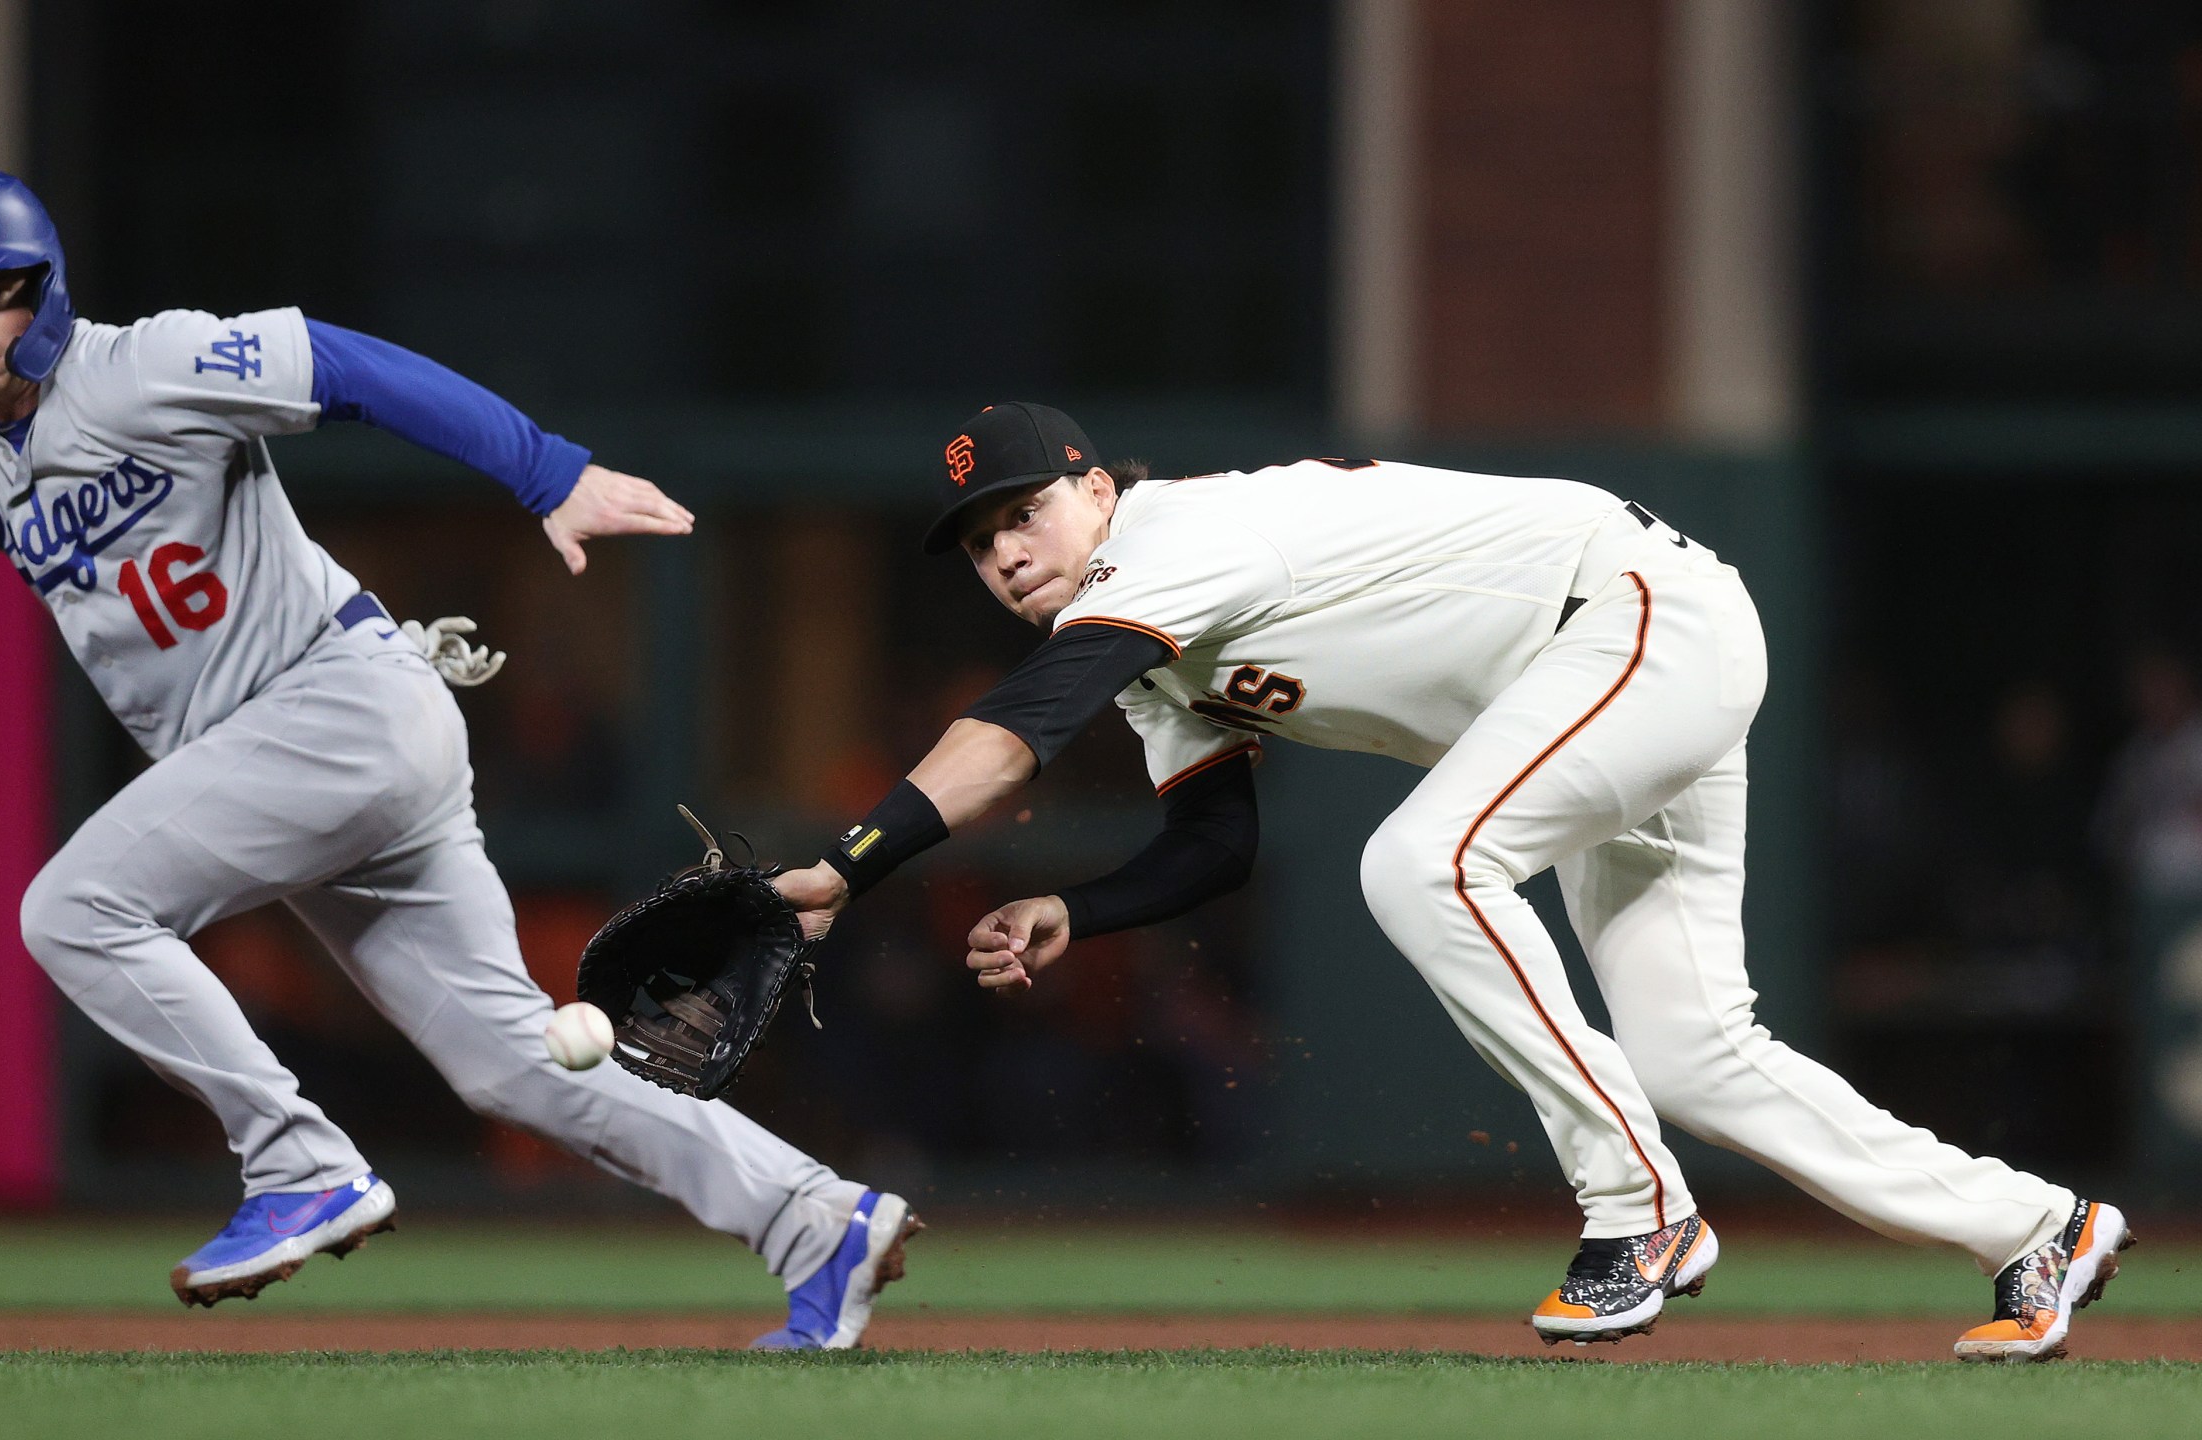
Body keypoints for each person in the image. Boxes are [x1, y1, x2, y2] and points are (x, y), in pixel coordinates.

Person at [0, 170, 913, 1347]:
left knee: (74, 909)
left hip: (335, 706)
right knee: (513, 1067)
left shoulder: (144, 365)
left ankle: (296, 1165)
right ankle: (818, 1220)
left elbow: (346, 366)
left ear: (46, 285)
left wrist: (547, 470)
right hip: (292, 758)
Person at [771, 401, 2129, 1361]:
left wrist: (849, 861)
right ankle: (2040, 1226)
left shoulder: (1172, 548)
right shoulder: (1155, 648)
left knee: (1423, 862)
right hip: (1599, 680)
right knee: (1698, 1054)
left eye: (1023, 510)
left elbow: (1016, 734)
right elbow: (1214, 844)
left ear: (1095, 488)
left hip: (1633, 619)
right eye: (978, 539)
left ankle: (1638, 1210)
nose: (1006, 549)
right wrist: (1089, 905)